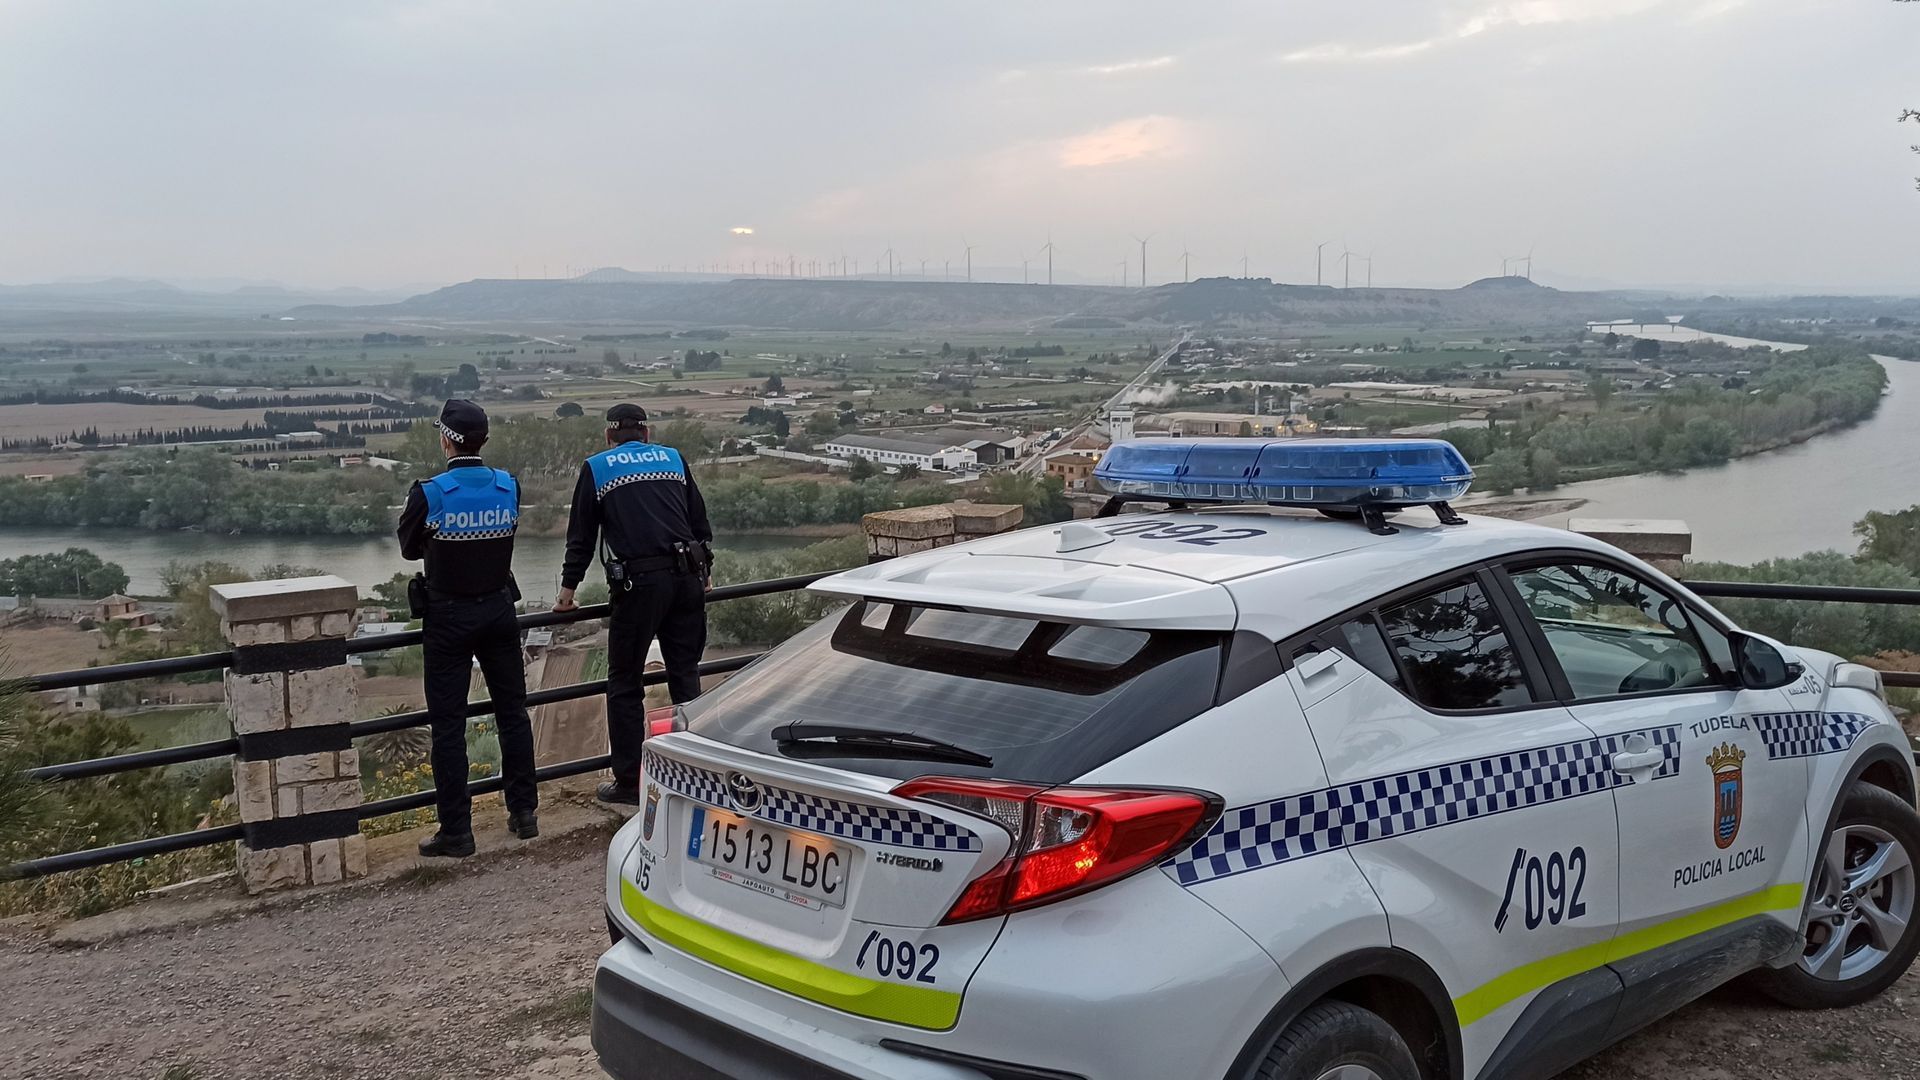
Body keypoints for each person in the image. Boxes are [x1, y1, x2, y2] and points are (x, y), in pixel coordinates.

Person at [396, 399, 539, 857]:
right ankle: (525, 813)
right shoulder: (508, 486)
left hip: (449, 617)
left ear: (446, 440)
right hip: (499, 611)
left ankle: (457, 831)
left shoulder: (430, 492)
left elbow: (408, 547)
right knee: (513, 715)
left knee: (449, 727)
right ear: (484, 440)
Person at [552, 403, 711, 805]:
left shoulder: (597, 468)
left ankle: (629, 782)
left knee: (624, 683)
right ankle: (692, 770)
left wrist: (567, 592)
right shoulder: (674, 459)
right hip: (687, 579)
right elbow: (699, 522)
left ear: (609, 436)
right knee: (685, 676)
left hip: (640, 586)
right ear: (647, 432)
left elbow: (582, 537)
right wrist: (706, 570)